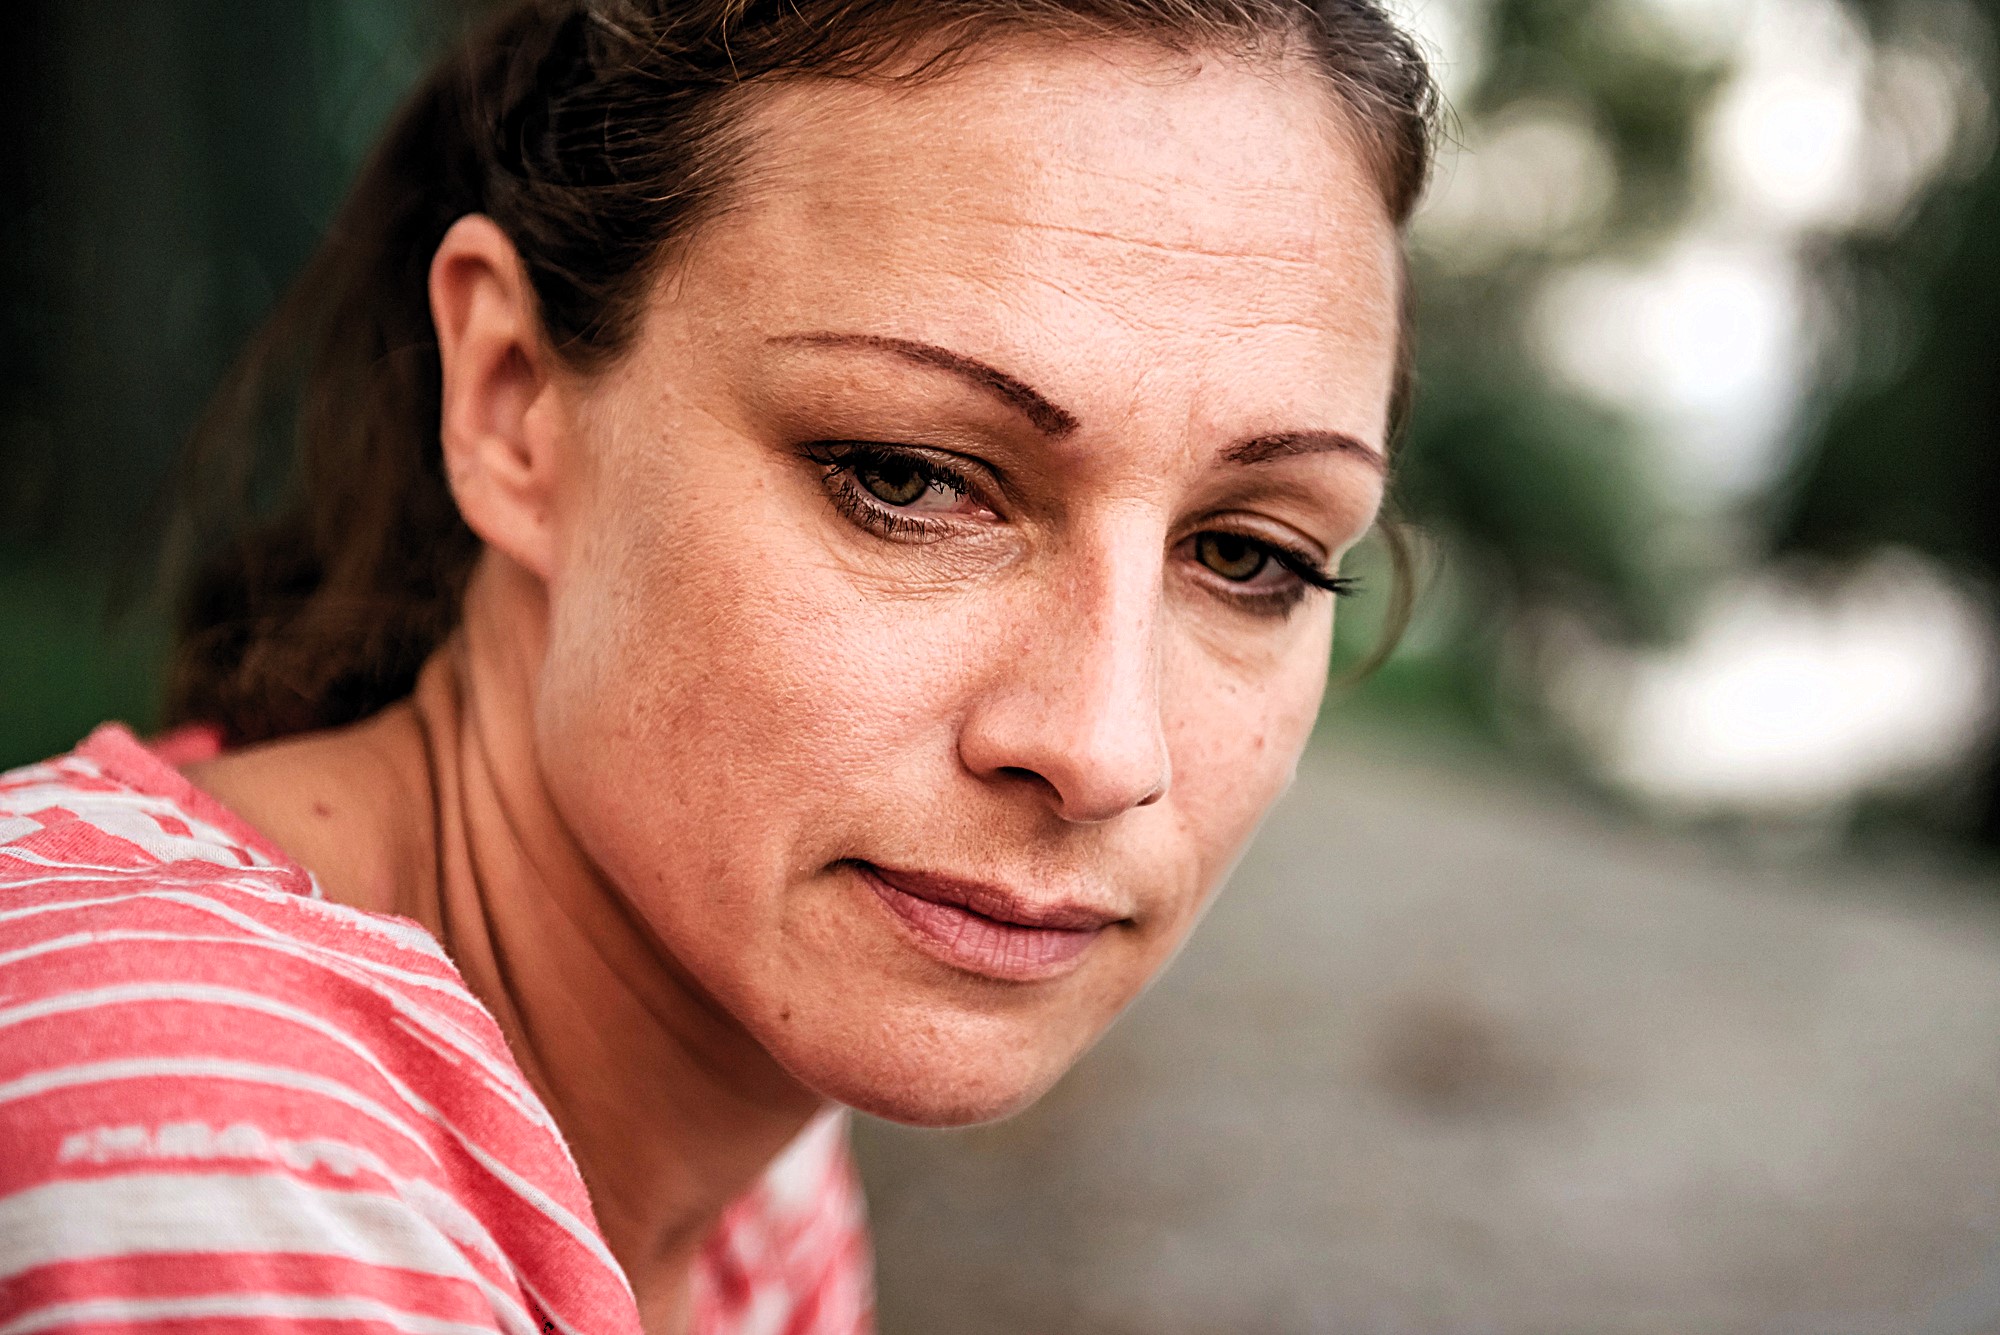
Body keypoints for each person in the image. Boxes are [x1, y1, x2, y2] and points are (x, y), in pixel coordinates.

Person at [0, 1, 1436, 1331]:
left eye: (1251, 556)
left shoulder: (757, 1142)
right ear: (513, 400)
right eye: (909, 475)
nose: (1106, 749)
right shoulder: (207, 1146)